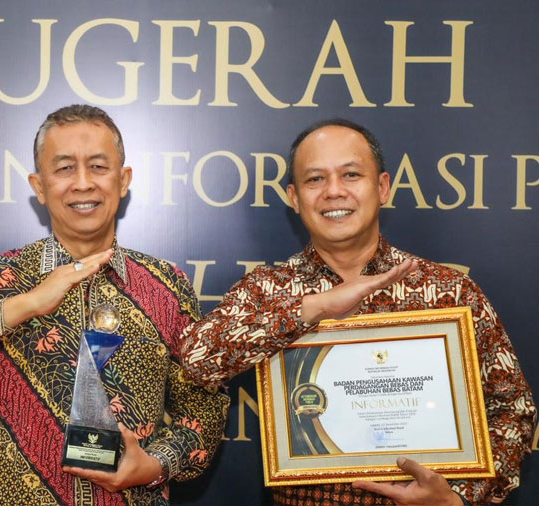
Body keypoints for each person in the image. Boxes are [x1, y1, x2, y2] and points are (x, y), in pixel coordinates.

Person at [180, 118, 536, 506]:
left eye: (350, 174)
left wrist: (458, 499)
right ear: (294, 198)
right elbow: (197, 361)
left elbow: (514, 409)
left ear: (382, 187)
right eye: (315, 179)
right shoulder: (267, 290)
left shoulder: (449, 291)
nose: (334, 191)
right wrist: (311, 308)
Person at [0, 104, 229, 505]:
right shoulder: (2, 278)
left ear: (123, 180)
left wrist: (155, 464)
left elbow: (205, 407)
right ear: (39, 186)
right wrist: (28, 303)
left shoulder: (167, 286)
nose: (83, 183)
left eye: (98, 167)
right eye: (65, 168)